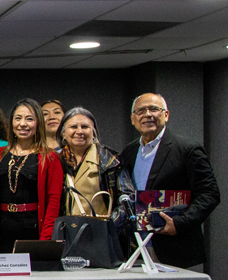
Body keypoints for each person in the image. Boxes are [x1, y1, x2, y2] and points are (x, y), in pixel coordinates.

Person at [120, 93, 221, 270]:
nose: (148, 114)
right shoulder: (129, 151)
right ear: (133, 119)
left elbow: (210, 194)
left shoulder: (187, 149)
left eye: (154, 109)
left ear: (166, 115)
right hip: (136, 247)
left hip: (174, 247)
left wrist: (180, 223)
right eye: (141, 111)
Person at [0, 99, 64, 252]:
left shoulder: (50, 158)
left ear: (38, 123)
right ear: (11, 122)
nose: (22, 124)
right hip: (1, 228)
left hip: (32, 229)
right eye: (18, 118)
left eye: (29, 119)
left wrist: (45, 239)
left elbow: (53, 201)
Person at [57, 107, 133, 221]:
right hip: (66, 232)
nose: (79, 131)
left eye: (85, 127)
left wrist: (111, 224)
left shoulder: (112, 161)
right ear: (63, 133)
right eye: (73, 127)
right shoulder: (56, 160)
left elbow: (128, 199)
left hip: (100, 233)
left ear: (94, 132)